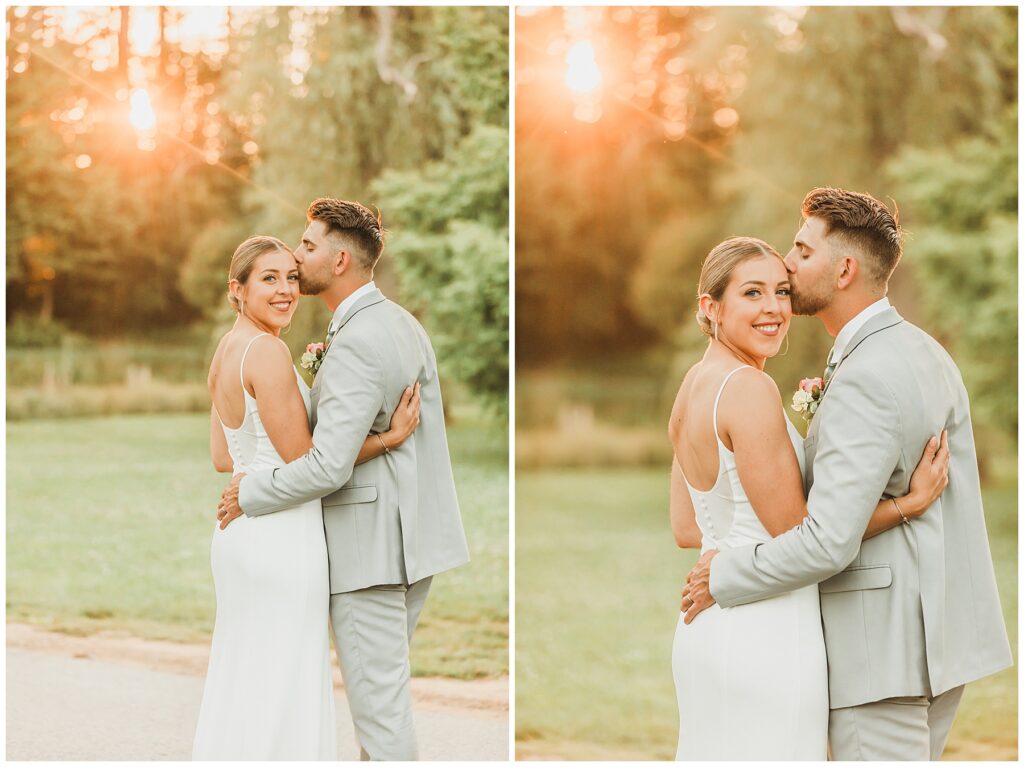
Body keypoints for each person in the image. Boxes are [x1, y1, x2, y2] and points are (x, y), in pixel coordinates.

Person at [682, 189, 1013, 760]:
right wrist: (906, 504)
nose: (788, 262)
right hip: (929, 643)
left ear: (844, 270)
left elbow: (824, 538)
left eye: (801, 252)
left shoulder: (864, 372)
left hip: (879, 654)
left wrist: (724, 576)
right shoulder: (923, 351)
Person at [217, 199, 471, 760]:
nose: (297, 255)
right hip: (408, 543)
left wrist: (251, 493)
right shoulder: (400, 322)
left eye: (307, 247)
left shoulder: (355, 339)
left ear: (337, 261)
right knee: (382, 703)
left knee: (380, 719)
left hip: (370, 553)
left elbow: (328, 464)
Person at [193, 235, 421, 760]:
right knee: (286, 681)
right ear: (237, 288)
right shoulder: (268, 352)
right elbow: (312, 463)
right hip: (282, 534)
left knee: (246, 676)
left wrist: (256, 475)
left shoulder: (224, 352)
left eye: (291, 278)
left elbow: (224, 458)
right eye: (268, 279)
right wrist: (388, 438)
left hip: (238, 538)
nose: (286, 290)